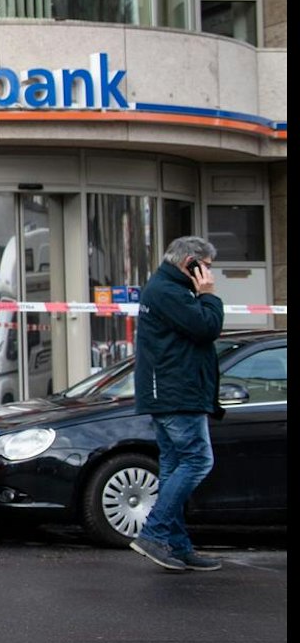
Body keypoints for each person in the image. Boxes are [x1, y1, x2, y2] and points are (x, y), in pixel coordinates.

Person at [129, 235, 227, 574]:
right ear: (191, 264)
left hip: (175, 393)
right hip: (176, 395)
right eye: (207, 268)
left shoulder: (169, 289)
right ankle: (154, 534)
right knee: (198, 460)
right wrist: (209, 295)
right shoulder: (169, 291)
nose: (210, 275)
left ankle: (177, 545)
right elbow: (207, 327)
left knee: (173, 468)